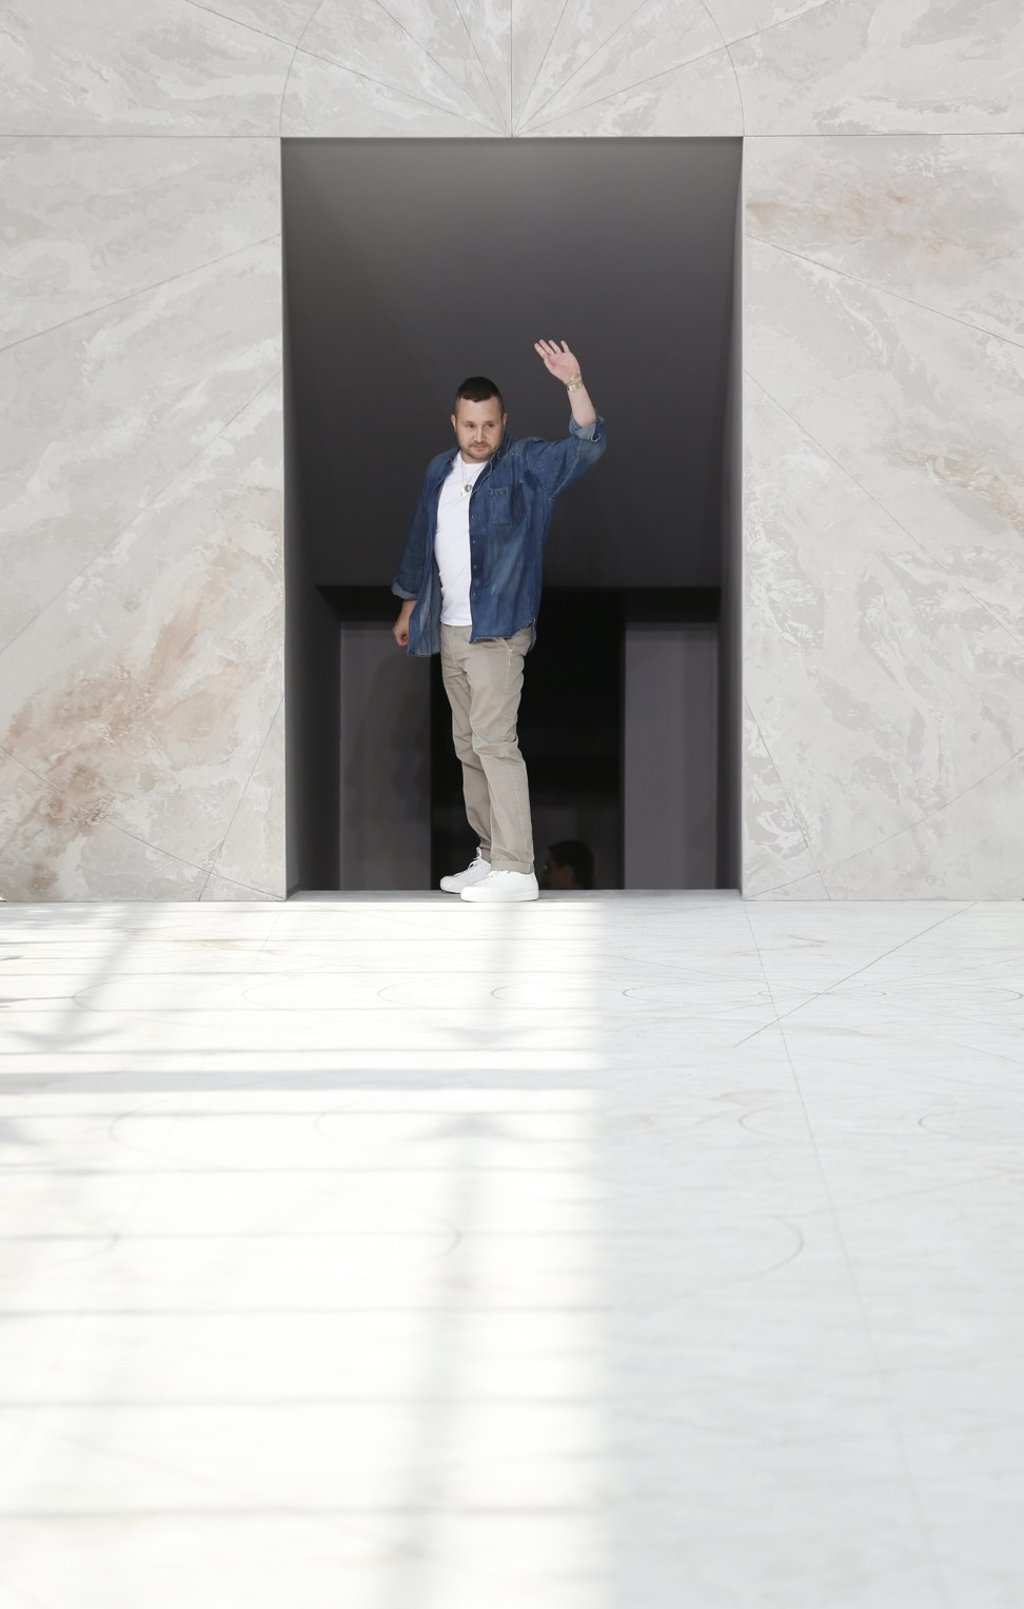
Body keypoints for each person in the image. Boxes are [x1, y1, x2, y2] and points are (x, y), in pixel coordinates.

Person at [392, 341, 606, 903]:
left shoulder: (526, 464)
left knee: (495, 742)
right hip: (452, 628)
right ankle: (490, 856)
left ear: (503, 422)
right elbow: (424, 539)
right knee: (467, 745)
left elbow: (585, 447)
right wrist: (410, 604)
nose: (479, 435)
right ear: (455, 423)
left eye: (489, 424)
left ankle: (517, 866)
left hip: (499, 628)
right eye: (470, 425)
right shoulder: (439, 469)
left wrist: (574, 383)